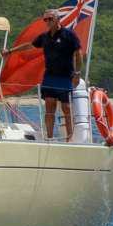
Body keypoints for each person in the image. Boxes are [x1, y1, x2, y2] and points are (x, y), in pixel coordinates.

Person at [34, 11, 83, 140]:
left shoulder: (69, 35)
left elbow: (78, 53)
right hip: (50, 76)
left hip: (65, 76)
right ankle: (49, 137)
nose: (47, 21)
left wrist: (77, 73)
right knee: (49, 105)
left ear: (58, 19)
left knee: (66, 107)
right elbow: (30, 45)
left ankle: (69, 137)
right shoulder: (44, 37)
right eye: (45, 19)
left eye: (50, 18)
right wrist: (10, 51)